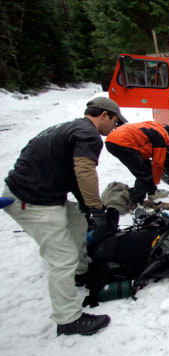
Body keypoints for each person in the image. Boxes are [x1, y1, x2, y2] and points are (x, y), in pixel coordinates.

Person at [2, 96, 127, 336]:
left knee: (78, 224)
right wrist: (98, 210)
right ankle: (68, 319)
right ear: (104, 115)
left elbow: (72, 176)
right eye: (114, 121)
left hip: (44, 195)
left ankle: (81, 272)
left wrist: (87, 208)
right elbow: (84, 172)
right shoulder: (88, 135)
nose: (114, 127)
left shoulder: (71, 127)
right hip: (32, 200)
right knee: (62, 258)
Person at [105, 121, 169, 211]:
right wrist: (155, 179)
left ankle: (152, 192)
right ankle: (136, 204)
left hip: (114, 140)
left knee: (146, 167)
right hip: (122, 143)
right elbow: (158, 163)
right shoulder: (161, 136)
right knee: (144, 176)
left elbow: (143, 149)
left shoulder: (153, 126)